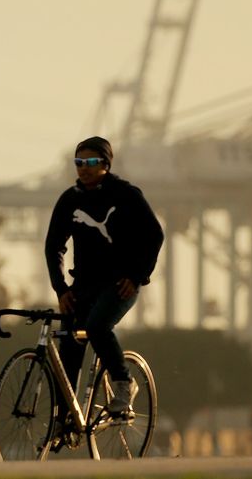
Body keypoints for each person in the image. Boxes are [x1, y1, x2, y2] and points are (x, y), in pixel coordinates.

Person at [44, 136, 163, 421]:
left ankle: (123, 383)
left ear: (106, 164)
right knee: (69, 344)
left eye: (92, 162)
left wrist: (137, 276)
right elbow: (53, 247)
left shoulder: (126, 195)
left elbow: (154, 235)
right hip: (83, 285)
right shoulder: (70, 200)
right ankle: (66, 416)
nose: (84, 168)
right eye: (79, 163)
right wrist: (61, 289)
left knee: (97, 326)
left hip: (120, 284)